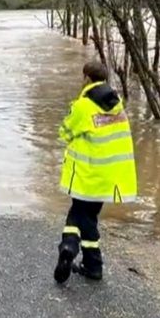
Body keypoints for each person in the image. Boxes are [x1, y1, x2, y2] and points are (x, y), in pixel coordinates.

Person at [54, 61, 137, 284]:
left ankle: (71, 248)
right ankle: (92, 265)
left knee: (81, 215)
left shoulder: (83, 106)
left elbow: (64, 132)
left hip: (87, 175)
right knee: (86, 216)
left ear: (87, 79)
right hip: (109, 177)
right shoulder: (117, 104)